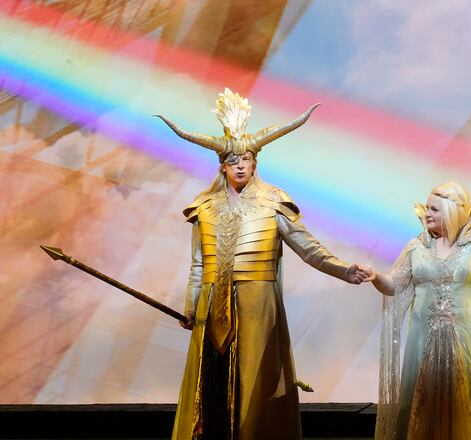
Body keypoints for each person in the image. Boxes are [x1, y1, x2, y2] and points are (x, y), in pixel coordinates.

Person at [157, 88, 369, 440]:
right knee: (211, 387)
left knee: (255, 385)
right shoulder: (204, 208)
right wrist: (191, 307)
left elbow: (308, 248)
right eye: (232, 161)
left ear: (255, 163)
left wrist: (344, 270)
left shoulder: (273, 202)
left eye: (246, 159)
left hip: (257, 304)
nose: (240, 165)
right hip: (212, 307)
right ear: (222, 165)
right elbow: (198, 265)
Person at [365, 182, 471, 439]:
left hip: (468, 340)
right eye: (427, 208)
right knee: (421, 402)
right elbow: (393, 285)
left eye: (434, 209)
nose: (426, 213)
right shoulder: (417, 247)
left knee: (468, 403)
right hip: (424, 340)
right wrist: (376, 276)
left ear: (451, 212)